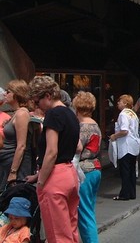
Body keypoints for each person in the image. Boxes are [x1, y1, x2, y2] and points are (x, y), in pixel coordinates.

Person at [28, 75, 81, 243]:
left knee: (58, 234)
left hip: (55, 177)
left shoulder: (53, 114)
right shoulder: (70, 114)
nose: (37, 106)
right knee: (71, 229)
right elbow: (76, 147)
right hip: (69, 173)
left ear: (47, 96)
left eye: (37, 102)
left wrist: (41, 182)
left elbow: (51, 152)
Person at [72, 91, 101, 243]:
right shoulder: (95, 124)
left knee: (84, 213)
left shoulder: (82, 126)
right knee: (89, 210)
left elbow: (77, 147)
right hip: (95, 168)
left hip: (84, 171)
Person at [0, 80, 38, 188]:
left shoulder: (22, 114)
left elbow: (21, 145)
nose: (5, 94)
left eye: (8, 91)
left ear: (16, 94)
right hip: (7, 163)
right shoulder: (16, 113)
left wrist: (13, 172)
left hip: (16, 167)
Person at [110, 94, 140, 201]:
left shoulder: (123, 114)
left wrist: (114, 136)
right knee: (132, 170)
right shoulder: (133, 114)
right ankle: (132, 192)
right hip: (134, 145)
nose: (118, 103)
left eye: (120, 101)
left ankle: (125, 194)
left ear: (125, 103)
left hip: (126, 145)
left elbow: (124, 131)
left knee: (125, 170)